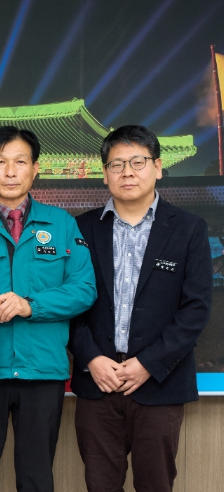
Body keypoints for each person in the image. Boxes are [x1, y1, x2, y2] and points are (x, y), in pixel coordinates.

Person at [0, 126, 96, 492]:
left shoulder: (62, 224)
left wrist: (32, 305)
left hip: (42, 371)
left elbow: (84, 289)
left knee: (37, 479)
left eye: (20, 162)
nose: (10, 172)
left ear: (35, 168)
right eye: (0, 162)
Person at [69, 125, 212, 491]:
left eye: (138, 162)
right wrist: (91, 358)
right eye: (116, 164)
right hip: (98, 383)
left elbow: (195, 310)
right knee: (100, 484)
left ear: (158, 167)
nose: (127, 172)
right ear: (104, 174)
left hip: (160, 384)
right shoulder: (80, 229)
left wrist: (148, 363)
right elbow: (69, 302)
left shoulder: (189, 229)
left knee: (155, 484)